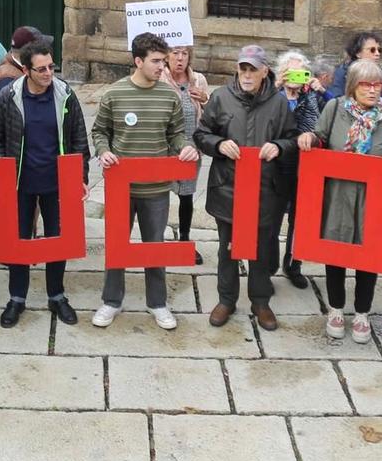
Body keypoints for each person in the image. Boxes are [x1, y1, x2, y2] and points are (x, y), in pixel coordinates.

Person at [90, 32, 196, 330]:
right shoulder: (114, 94)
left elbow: (175, 133)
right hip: (121, 187)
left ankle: (157, 303)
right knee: (116, 244)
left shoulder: (168, 96)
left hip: (157, 188)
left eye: (163, 60)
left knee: (155, 245)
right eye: (156, 61)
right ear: (138, 61)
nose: (163, 66)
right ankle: (111, 301)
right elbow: (99, 131)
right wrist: (104, 151)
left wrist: (183, 147)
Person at [301, 58, 382, 343]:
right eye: (366, 84)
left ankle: (362, 312)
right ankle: (336, 309)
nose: (374, 90)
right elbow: (320, 137)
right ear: (352, 86)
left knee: (368, 255)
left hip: (373, 197)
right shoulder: (335, 107)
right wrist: (309, 139)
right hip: (337, 193)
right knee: (335, 249)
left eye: (377, 84)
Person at [0, 38, 90, 327]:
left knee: (58, 239)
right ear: (26, 71)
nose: (48, 74)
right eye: (41, 70)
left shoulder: (65, 95)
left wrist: (81, 177)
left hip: (56, 183)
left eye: (51, 68)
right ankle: (16, 298)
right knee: (18, 240)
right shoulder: (10, 96)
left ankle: (56, 295)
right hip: (19, 183)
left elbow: (80, 138)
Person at [197, 44, 298, 330]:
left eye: (253, 69)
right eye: (243, 68)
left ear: (265, 71)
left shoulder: (278, 103)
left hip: (265, 191)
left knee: (263, 247)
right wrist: (218, 144)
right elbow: (202, 133)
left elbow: (293, 138)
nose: (247, 74)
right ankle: (226, 299)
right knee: (227, 248)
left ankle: (260, 301)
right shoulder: (220, 98)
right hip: (228, 188)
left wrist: (278, 146)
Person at [274, 50, 323, 289]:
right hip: (276, 163)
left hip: (306, 164)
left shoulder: (312, 95)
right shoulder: (272, 94)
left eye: (300, 71)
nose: (295, 76)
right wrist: (276, 87)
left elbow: (320, 124)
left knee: (300, 218)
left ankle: (294, 264)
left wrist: (318, 91)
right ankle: (267, 265)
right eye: (290, 71)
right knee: (271, 217)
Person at [163, 42, 210, 264]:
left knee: (186, 195)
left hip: (192, 148)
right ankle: (156, 240)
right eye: (175, 53)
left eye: (184, 54)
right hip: (165, 148)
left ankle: (184, 240)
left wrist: (205, 100)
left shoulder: (198, 80)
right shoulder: (159, 78)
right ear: (166, 57)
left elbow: (211, 115)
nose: (180, 58)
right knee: (160, 194)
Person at [324, 32, 382, 103]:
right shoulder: (343, 73)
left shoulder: (380, 74)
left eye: (379, 50)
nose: (377, 54)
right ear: (358, 53)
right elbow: (336, 99)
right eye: (372, 50)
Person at [0, 25, 42, 101]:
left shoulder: (16, 67)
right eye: (40, 49)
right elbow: (7, 111)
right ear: (29, 52)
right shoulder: (7, 80)